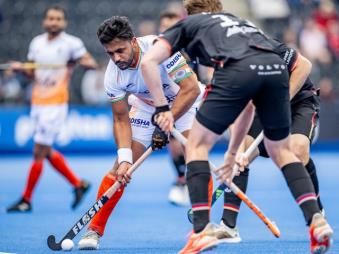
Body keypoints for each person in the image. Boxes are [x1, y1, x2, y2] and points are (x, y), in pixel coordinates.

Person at [140, 0, 333, 253]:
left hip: (292, 95)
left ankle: (201, 231)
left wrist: (162, 108)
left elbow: (147, 63)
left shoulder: (187, 26)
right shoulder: (240, 26)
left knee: (196, 145)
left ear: (186, 16)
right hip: (270, 72)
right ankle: (315, 220)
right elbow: (247, 106)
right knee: (281, 152)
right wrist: (234, 154)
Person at [77, 16, 205, 250]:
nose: (116, 58)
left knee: (195, 158)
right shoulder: (112, 75)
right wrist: (126, 158)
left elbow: (191, 88)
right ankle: (94, 230)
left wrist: (166, 121)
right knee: (118, 171)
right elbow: (120, 119)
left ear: (134, 42)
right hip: (147, 107)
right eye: (110, 53)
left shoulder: (160, 48)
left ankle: (202, 228)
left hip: (183, 102)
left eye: (120, 50)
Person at [222, 40, 325, 242]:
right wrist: (237, 150)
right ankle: (228, 227)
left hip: (298, 102)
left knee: (298, 150)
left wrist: (282, 101)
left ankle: (316, 214)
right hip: (260, 109)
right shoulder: (225, 66)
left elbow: (304, 66)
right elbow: (232, 111)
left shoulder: (267, 47)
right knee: (240, 154)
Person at [6, 6, 97, 213]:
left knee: (39, 151)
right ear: (45, 21)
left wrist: (78, 61)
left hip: (55, 105)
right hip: (38, 102)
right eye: (50, 18)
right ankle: (78, 184)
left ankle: (26, 199)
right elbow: (32, 73)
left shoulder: (71, 44)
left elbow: (90, 63)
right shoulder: (36, 43)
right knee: (45, 152)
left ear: (63, 23)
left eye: (58, 19)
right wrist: (21, 68)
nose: (54, 22)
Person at [159, 10, 190, 206]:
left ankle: (191, 182)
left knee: (189, 143)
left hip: (189, 98)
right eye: (165, 27)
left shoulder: (189, 45)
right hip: (167, 101)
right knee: (173, 145)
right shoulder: (156, 48)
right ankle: (181, 179)